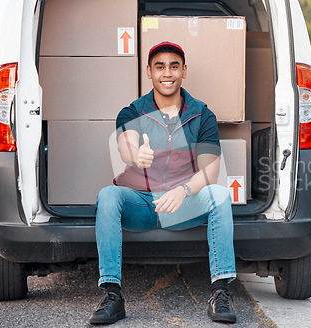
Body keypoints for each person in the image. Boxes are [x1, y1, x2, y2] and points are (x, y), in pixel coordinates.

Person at [88, 41, 237, 325]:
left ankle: (220, 293)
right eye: (159, 66)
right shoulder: (132, 112)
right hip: (141, 203)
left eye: (173, 66)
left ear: (184, 71)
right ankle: (112, 295)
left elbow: (211, 170)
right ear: (149, 72)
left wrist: (184, 191)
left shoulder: (202, 114)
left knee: (218, 194)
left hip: (182, 205)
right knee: (108, 195)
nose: (166, 73)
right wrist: (137, 155)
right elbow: (126, 146)